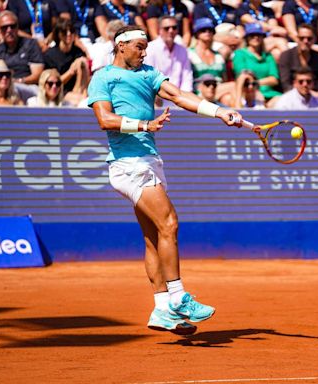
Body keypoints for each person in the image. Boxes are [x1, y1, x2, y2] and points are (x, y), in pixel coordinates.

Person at [87, 25, 243, 334]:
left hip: (148, 161)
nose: (144, 51)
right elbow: (105, 120)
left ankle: (161, 309)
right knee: (169, 223)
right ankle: (179, 297)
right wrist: (145, 124)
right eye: (138, 46)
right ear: (121, 46)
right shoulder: (103, 77)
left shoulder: (148, 73)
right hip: (128, 164)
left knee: (154, 237)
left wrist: (219, 111)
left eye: (146, 46)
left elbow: (179, 95)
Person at [0, 11, 44, 102]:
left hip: (27, 87)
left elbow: (37, 74)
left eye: (12, 26)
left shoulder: (30, 45)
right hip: (2, 89)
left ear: (18, 27)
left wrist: (18, 81)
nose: (9, 30)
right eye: (4, 27)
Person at [232, 23, 281, 107]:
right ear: (247, 38)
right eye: (252, 35)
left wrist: (257, 83)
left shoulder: (268, 56)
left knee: (282, 101)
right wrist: (255, 88)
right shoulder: (240, 54)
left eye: (259, 35)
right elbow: (243, 75)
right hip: (247, 92)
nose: (256, 37)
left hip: (269, 94)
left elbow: (274, 79)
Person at [43, 17, 89, 105]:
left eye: (71, 31)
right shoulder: (50, 55)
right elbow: (52, 83)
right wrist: (70, 72)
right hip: (58, 92)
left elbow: (85, 75)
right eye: (64, 32)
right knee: (81, 102)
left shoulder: (78, 52)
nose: (69, 34)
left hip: (78, 90)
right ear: (58, 34)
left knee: (82, 62)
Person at [145, 16, 193, 94]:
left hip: (180, 98)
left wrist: (185, 97)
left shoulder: (183, 50)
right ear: (159, 30)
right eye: (166, 28)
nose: (171, 31)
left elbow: (187, 77)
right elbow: (148, 77)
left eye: (174, 28)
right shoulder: (150, 49)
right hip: (157, 97)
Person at [278, 23, 318, 93]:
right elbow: (285, 83)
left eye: (309, 39)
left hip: (314, 95)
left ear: (314, 40)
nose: (305, 41)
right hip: (292, 95)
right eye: (302, 38)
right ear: (297, 38)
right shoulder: (286, 56)